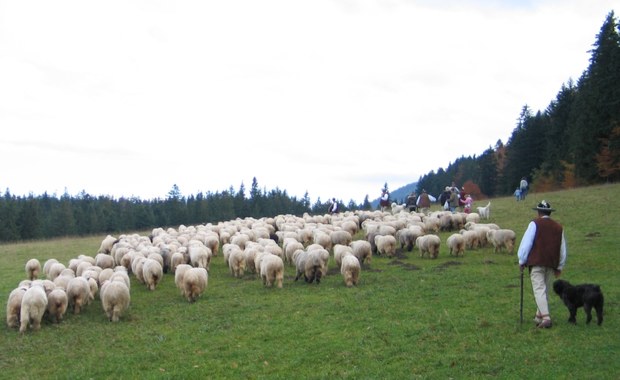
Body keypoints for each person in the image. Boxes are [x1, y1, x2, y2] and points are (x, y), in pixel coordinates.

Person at [517, 200, 567, 329]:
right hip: (551, 263)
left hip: (537, 262)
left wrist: (522, 260)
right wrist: (560, 266)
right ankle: (539, 316)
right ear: (549, 213)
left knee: (539, 289)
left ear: (539, 212)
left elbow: (526, 243)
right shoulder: (558, 227)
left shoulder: (534, 224)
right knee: (545, 289)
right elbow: (562, 248)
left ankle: (546, 317)